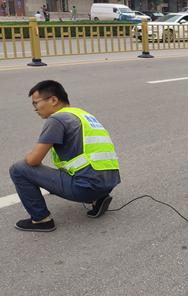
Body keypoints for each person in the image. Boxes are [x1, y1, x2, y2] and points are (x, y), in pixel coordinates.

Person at [9, 80, 121, 232]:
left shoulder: (57, 119)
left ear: (53, 100)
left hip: (87, 187)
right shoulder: (83, 115)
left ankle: (41, 220)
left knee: (19, 168)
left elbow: (33, 160)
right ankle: (97, 200)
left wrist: (29, 154)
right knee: (68, 168)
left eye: (35, 103)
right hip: (109, 183)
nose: (35, 109)